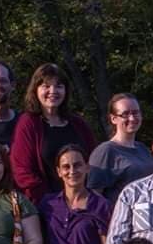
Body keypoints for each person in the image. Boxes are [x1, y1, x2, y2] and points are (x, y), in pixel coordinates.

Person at [8, 63, 96, 200]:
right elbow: (21, 170)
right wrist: (52, 201)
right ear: (35, 90)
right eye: (46, 86)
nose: (53, 91)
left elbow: (93, 161)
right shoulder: (28, 123)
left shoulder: (79, 124)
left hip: (82, 201)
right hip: (45, 204)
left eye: (59, 86)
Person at [88, 93, 153, 197]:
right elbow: (94, 197)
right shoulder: (105, 151)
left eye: (135, 112)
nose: (132, 118)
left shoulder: (143, 149)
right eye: (125, 114)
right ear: (113, 119)